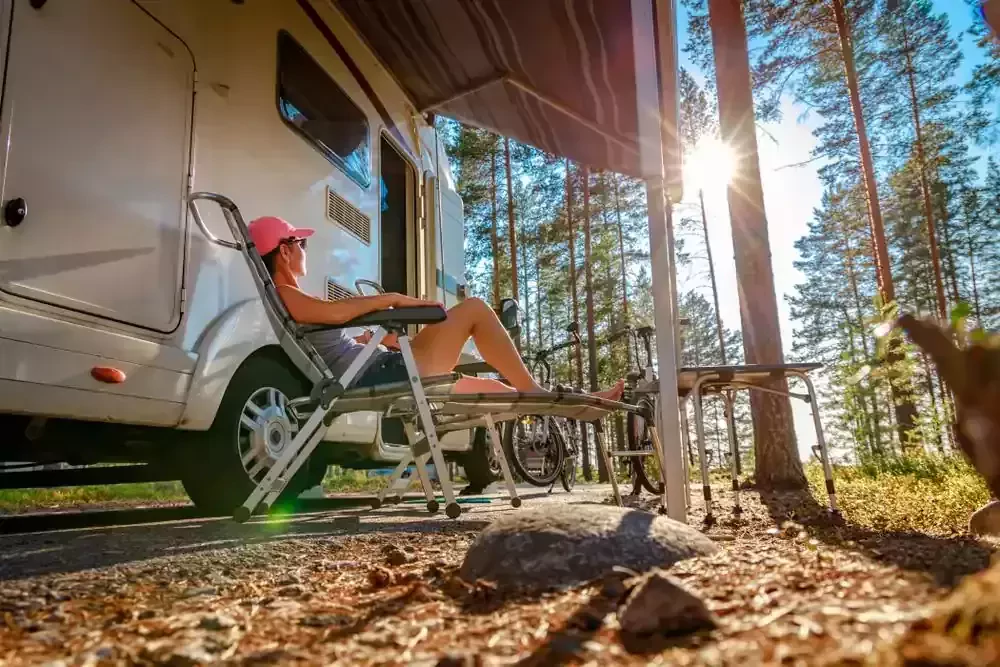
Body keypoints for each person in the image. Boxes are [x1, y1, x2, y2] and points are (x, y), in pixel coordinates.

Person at [247, 215, 625, 399]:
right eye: (301, 243)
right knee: (474, 308)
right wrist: (393, 299)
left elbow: (335, 327)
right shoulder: (287, 294)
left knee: (505, 392)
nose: (304, 250)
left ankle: (579, 400)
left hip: (384, 363)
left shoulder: (293, 296)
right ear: (284, 250)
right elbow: (336, 314)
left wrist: (370, 339)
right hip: (385, 373)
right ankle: (539, 392)